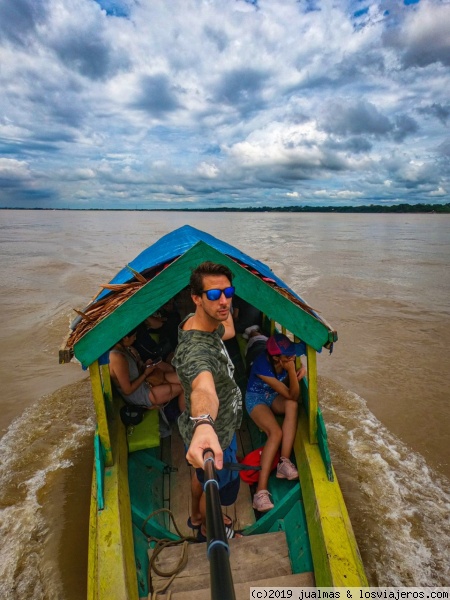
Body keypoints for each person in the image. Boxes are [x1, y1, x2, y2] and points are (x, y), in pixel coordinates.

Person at [172, 261, 243, 540]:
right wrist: (204, 424)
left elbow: (229, 330)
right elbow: (203, 387)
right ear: (196, 298)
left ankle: (194, 515)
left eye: (228, 292)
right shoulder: (196, 349)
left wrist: (220, 306)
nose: (223, 301)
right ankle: (206, 525)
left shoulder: (197, 320)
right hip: (216, 433)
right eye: (213, 295)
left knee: (198, 477)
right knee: (214, 487)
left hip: (202, 429)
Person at [245, 333, 306, 513]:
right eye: (288, 357)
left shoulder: (288, 358)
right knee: (276, 433)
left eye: (291, 355)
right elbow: (292, 392)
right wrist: (292, 372)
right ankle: (260, 493)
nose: (291, 358)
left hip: (272, 397)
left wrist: (303, 367)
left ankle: (283, 462)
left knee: (292, 406)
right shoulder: (262, 365)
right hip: (256, 399)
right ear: (276, 358)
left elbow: (307, 348)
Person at [109, 329, 185, 412]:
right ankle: (186, 420)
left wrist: (143, 365)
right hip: (139, 393)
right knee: (184, 387)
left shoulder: (124, 348)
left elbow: (132, 372)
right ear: (125, 338)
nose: (135, 339)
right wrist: (145, 374)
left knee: (184, 380)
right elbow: (128, 390)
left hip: (145, 380)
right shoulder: (117, 358)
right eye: (134, 336)